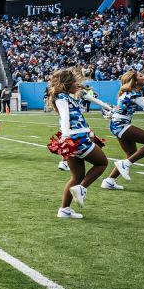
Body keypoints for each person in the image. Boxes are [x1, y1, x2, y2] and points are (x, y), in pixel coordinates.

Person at [48, 67, 109, 218]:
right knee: (102, 163)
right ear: (67, 84)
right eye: (75, 82)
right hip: (77, 139)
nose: (77, 85)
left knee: (77, 176)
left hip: (75, 138)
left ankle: (64, 210)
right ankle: (81, 189)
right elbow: (65, 118)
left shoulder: (66, 97)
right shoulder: (61, 98)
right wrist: (66, 138)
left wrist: (88, 131)